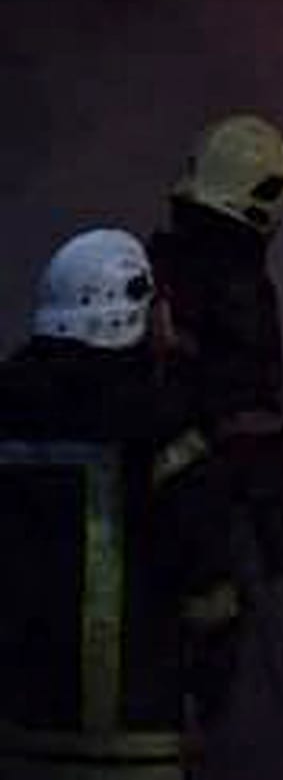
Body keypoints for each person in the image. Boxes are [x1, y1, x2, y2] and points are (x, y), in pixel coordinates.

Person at [0, 227, 242, 777]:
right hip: (135, 742)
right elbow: (210, 592)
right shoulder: (162, 431)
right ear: (136, 313)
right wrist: (210, 697)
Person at [149, 113, 283, 568]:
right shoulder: (239, 289)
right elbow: (249, 416)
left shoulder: (159, 261)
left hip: (155, 502)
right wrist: (269, 529)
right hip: (216, 510)